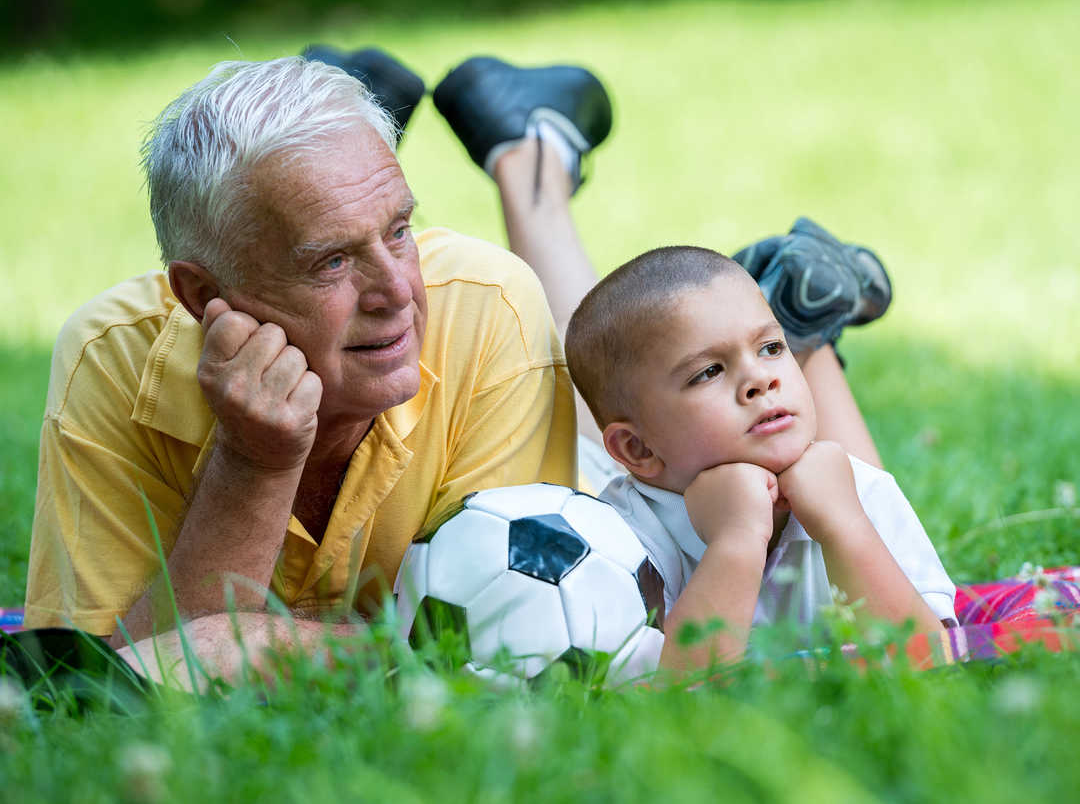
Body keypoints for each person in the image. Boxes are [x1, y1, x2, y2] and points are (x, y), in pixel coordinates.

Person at [23, 52, 602, 680]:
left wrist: (265, 644)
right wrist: (253, 462)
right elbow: (103, 691)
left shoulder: (487, 307)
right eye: (331, 261)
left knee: (610, 393)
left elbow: (506, 643)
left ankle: (529, 153)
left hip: (603, 469)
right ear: (201, 297)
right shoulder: (109, 359)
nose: (398, 292)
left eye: (401, 229)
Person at [429, 53, 956, 670]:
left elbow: (933, 661)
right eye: (710, 372)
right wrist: (735, 542)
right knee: (602, 377)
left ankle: (804, 340)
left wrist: (845, 526)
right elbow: (677, 698)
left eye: (772, 348)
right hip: (624, 462)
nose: (759, 379)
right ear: (639, 452)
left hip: (661, 442)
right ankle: (806, 338)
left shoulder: (860, 494)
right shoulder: (618, 540)